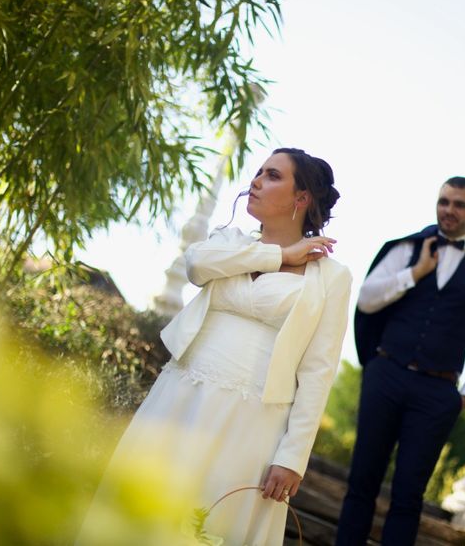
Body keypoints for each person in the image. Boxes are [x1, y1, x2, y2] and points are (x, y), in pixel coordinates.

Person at [78, 148, 351, 545]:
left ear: (302, 198)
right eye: (258, 172)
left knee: (209, 523)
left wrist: (292, 457)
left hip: (252, 422)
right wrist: (279, 255)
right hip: (181, 396)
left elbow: (318, 372)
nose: (256, 180)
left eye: (272, 175)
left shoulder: (332, 277)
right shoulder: (229, 242)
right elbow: (196, 267)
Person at [335, 176, 465, 545]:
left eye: (459, 204)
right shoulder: (408, 248)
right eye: (444, 201)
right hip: (386, 373)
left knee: (408, 495)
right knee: (362, 480)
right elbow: (366, 299)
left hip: (437, 392)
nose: (449, 210)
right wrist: (416, 273)